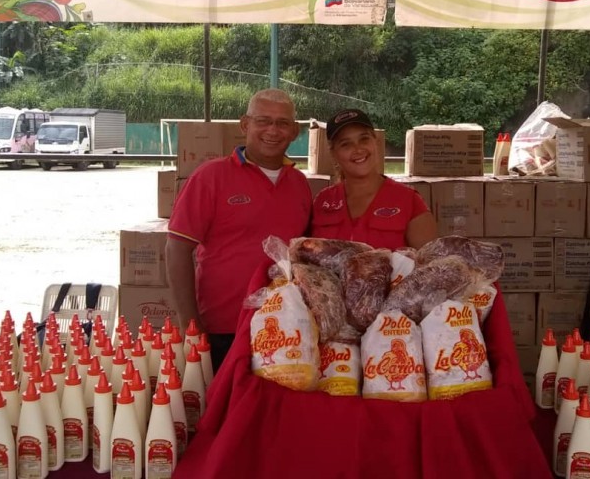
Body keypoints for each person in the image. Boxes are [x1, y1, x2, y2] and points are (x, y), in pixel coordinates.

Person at [165, 89, 312, 372]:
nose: (272, 130)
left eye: (282, 123)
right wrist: (191, 326)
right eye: (263, 120)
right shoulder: (211, 176)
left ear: (294, 131)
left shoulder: (299, 183)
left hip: (285, 330)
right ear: (245, 124)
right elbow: (177, 249)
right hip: (222, 329)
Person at [311, 108, 437, 250]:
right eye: (346, 144)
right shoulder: (322, 202)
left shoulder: (409, 201)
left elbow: (429, 260)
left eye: (364, 139)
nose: (358, 149)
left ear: (375, 142)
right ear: (334, 154)